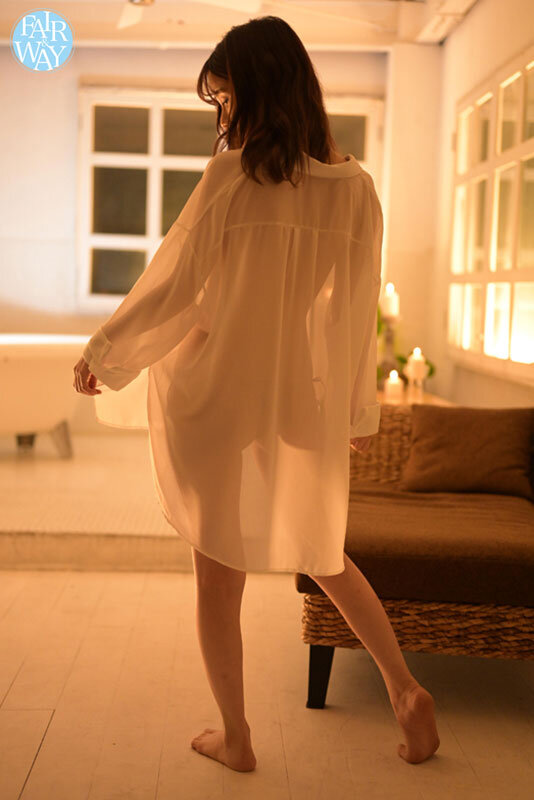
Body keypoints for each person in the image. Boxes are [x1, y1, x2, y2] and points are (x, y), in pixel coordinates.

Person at [74, 15, 439, 775]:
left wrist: (106, 349)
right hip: (294, 390)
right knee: (324, 550)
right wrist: (354, 407)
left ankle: (237, 737)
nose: (224, 112)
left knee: (217, 575)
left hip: (216, 385)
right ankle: (404, 687)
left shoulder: (232, 177)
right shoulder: (356, 190)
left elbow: (173, 284)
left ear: (256, 88)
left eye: (226, 95)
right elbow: (352, 314)